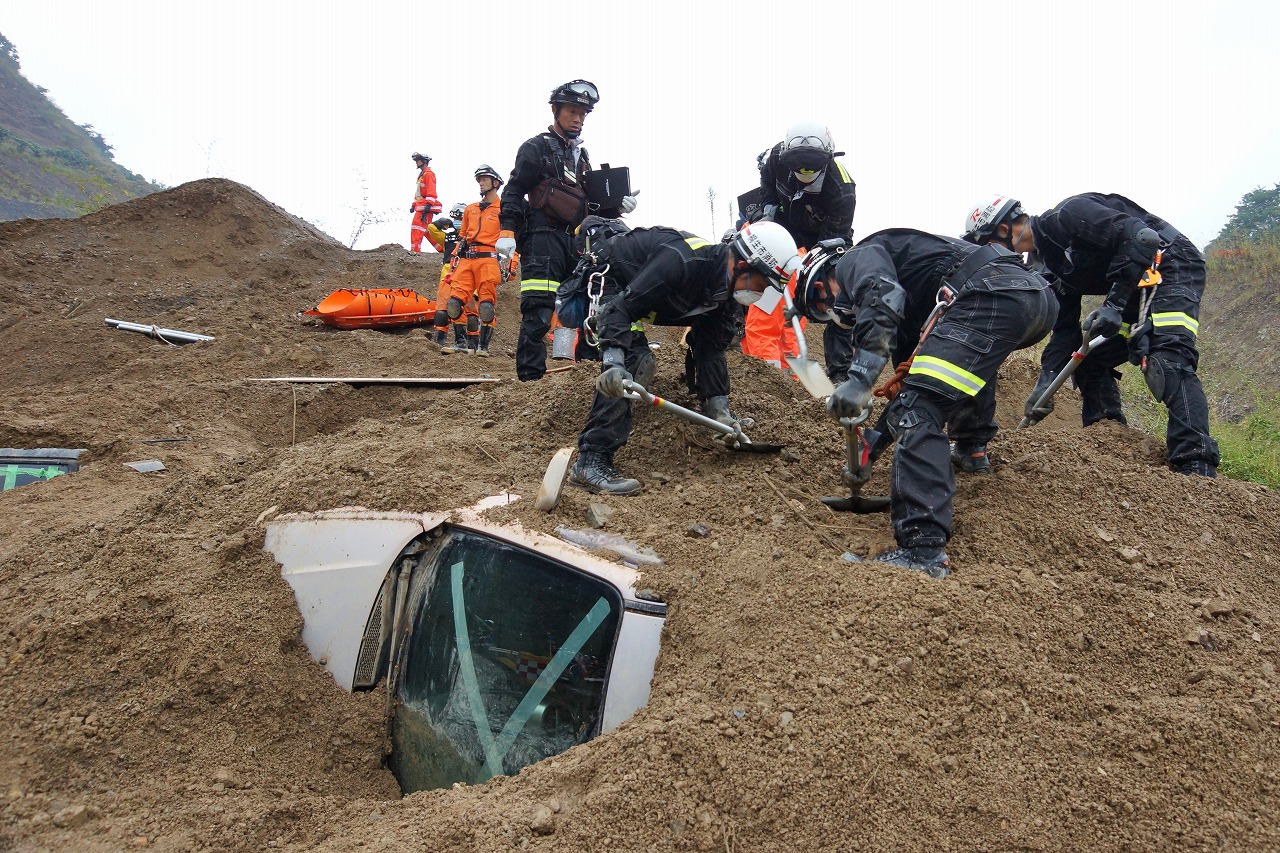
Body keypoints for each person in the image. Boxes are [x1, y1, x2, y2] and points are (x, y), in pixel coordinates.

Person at [794, 228, 1058, 578]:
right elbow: (913, 390)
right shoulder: (916, 307)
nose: (834, 312)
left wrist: (860, 379)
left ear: (824, 278)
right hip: (1035, 298)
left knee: (920, 409)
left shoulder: (854, 259)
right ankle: (971, 451)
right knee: (953, 378)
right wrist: (872, 446)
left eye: (823, 303)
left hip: (995, 293)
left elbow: (881, 293)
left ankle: (923, 550)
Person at [962, 193, 1219, 477]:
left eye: (989, 245)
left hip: (1171, 265)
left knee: (1169, 358)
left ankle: (1196, 464)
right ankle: (1109, 437)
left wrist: (1114, 305)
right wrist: (1046, 379)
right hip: (1134, 288)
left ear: (1002, 229)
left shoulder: (1070, 215)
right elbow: (1064, 330)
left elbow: (1143, 238)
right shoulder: (1048, 267)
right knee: (1090, 361)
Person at [568, 222, 801, 495]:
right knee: (635, 362)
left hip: (646, 298)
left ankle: (706, 409)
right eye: (761, 284)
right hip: (617, 282)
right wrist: (613, 362)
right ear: (741, 265)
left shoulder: (727, 292)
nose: (759, 294)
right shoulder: (681, 261)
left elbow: (710, 347)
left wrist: (719, 409)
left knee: (702, 346)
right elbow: (619, 311)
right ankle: (590, 461)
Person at [497, 79, 637, 381]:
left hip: (575, 242)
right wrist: (507, 231)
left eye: (583, 114)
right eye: (572, 111)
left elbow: (589, 205)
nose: (578, 119)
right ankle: (530, 382)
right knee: (539, 311)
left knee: (586, 309)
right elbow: (514, 189)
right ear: (555, 110)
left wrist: (616, 208)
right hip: (542, 238)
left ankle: (585, 377)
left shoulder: (581, 157)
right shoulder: (535, 148)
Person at [751, 122, 858, 380]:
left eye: (811, 166)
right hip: (784, 224)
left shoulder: (842, 189)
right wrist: (768, 209)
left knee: (838, 297)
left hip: (825, 238)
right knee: (765, 280)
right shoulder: (776, 157)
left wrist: (810, 270)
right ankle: (749, 346)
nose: (804, 170)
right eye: (797, 166)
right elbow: (766, 183)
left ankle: (838, 374)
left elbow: (834, 239)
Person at [442, 165, 506, 357]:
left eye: (484, 179)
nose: (480, 182)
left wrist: (511, 264)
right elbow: (462, 237)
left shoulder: (503, 210)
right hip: (467, 259)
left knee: (486, 306)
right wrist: (454, 261)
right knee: (453, 303)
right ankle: (460, 343)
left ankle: (483, 348)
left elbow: (511, 238)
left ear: (496, 183)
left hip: (488, 259)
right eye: (479, 179)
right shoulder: (470, 209)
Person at [409, 153, 441, 253]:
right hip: (421, 204)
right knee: (428, 230)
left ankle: (415, 250)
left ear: (424, 161)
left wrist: (429, 205)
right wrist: (413, 204)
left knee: (417, 226)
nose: (416, 162)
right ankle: (443, 248)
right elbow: (418, 192)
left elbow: (431, 191)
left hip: (425, 206)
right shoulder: (421, 175)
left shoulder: (429, 174)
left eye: (418, 160)